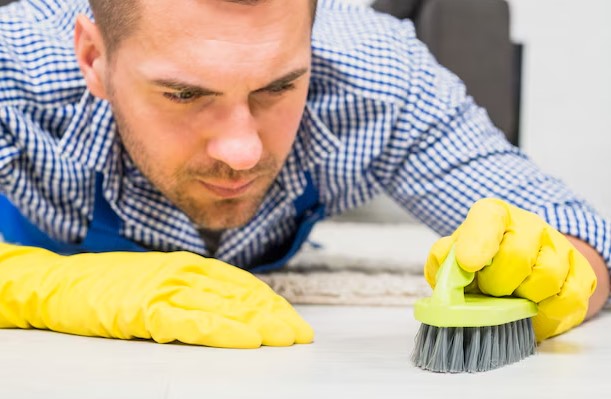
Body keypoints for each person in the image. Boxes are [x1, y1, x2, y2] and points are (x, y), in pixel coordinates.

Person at [0, 0, 608, 348]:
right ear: (94, 59)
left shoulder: (377, 74)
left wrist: (555, 271)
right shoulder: (15, 67)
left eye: (278, 87)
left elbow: (574, 229)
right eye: (184, 95)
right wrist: (39, 284)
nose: (241, 151)